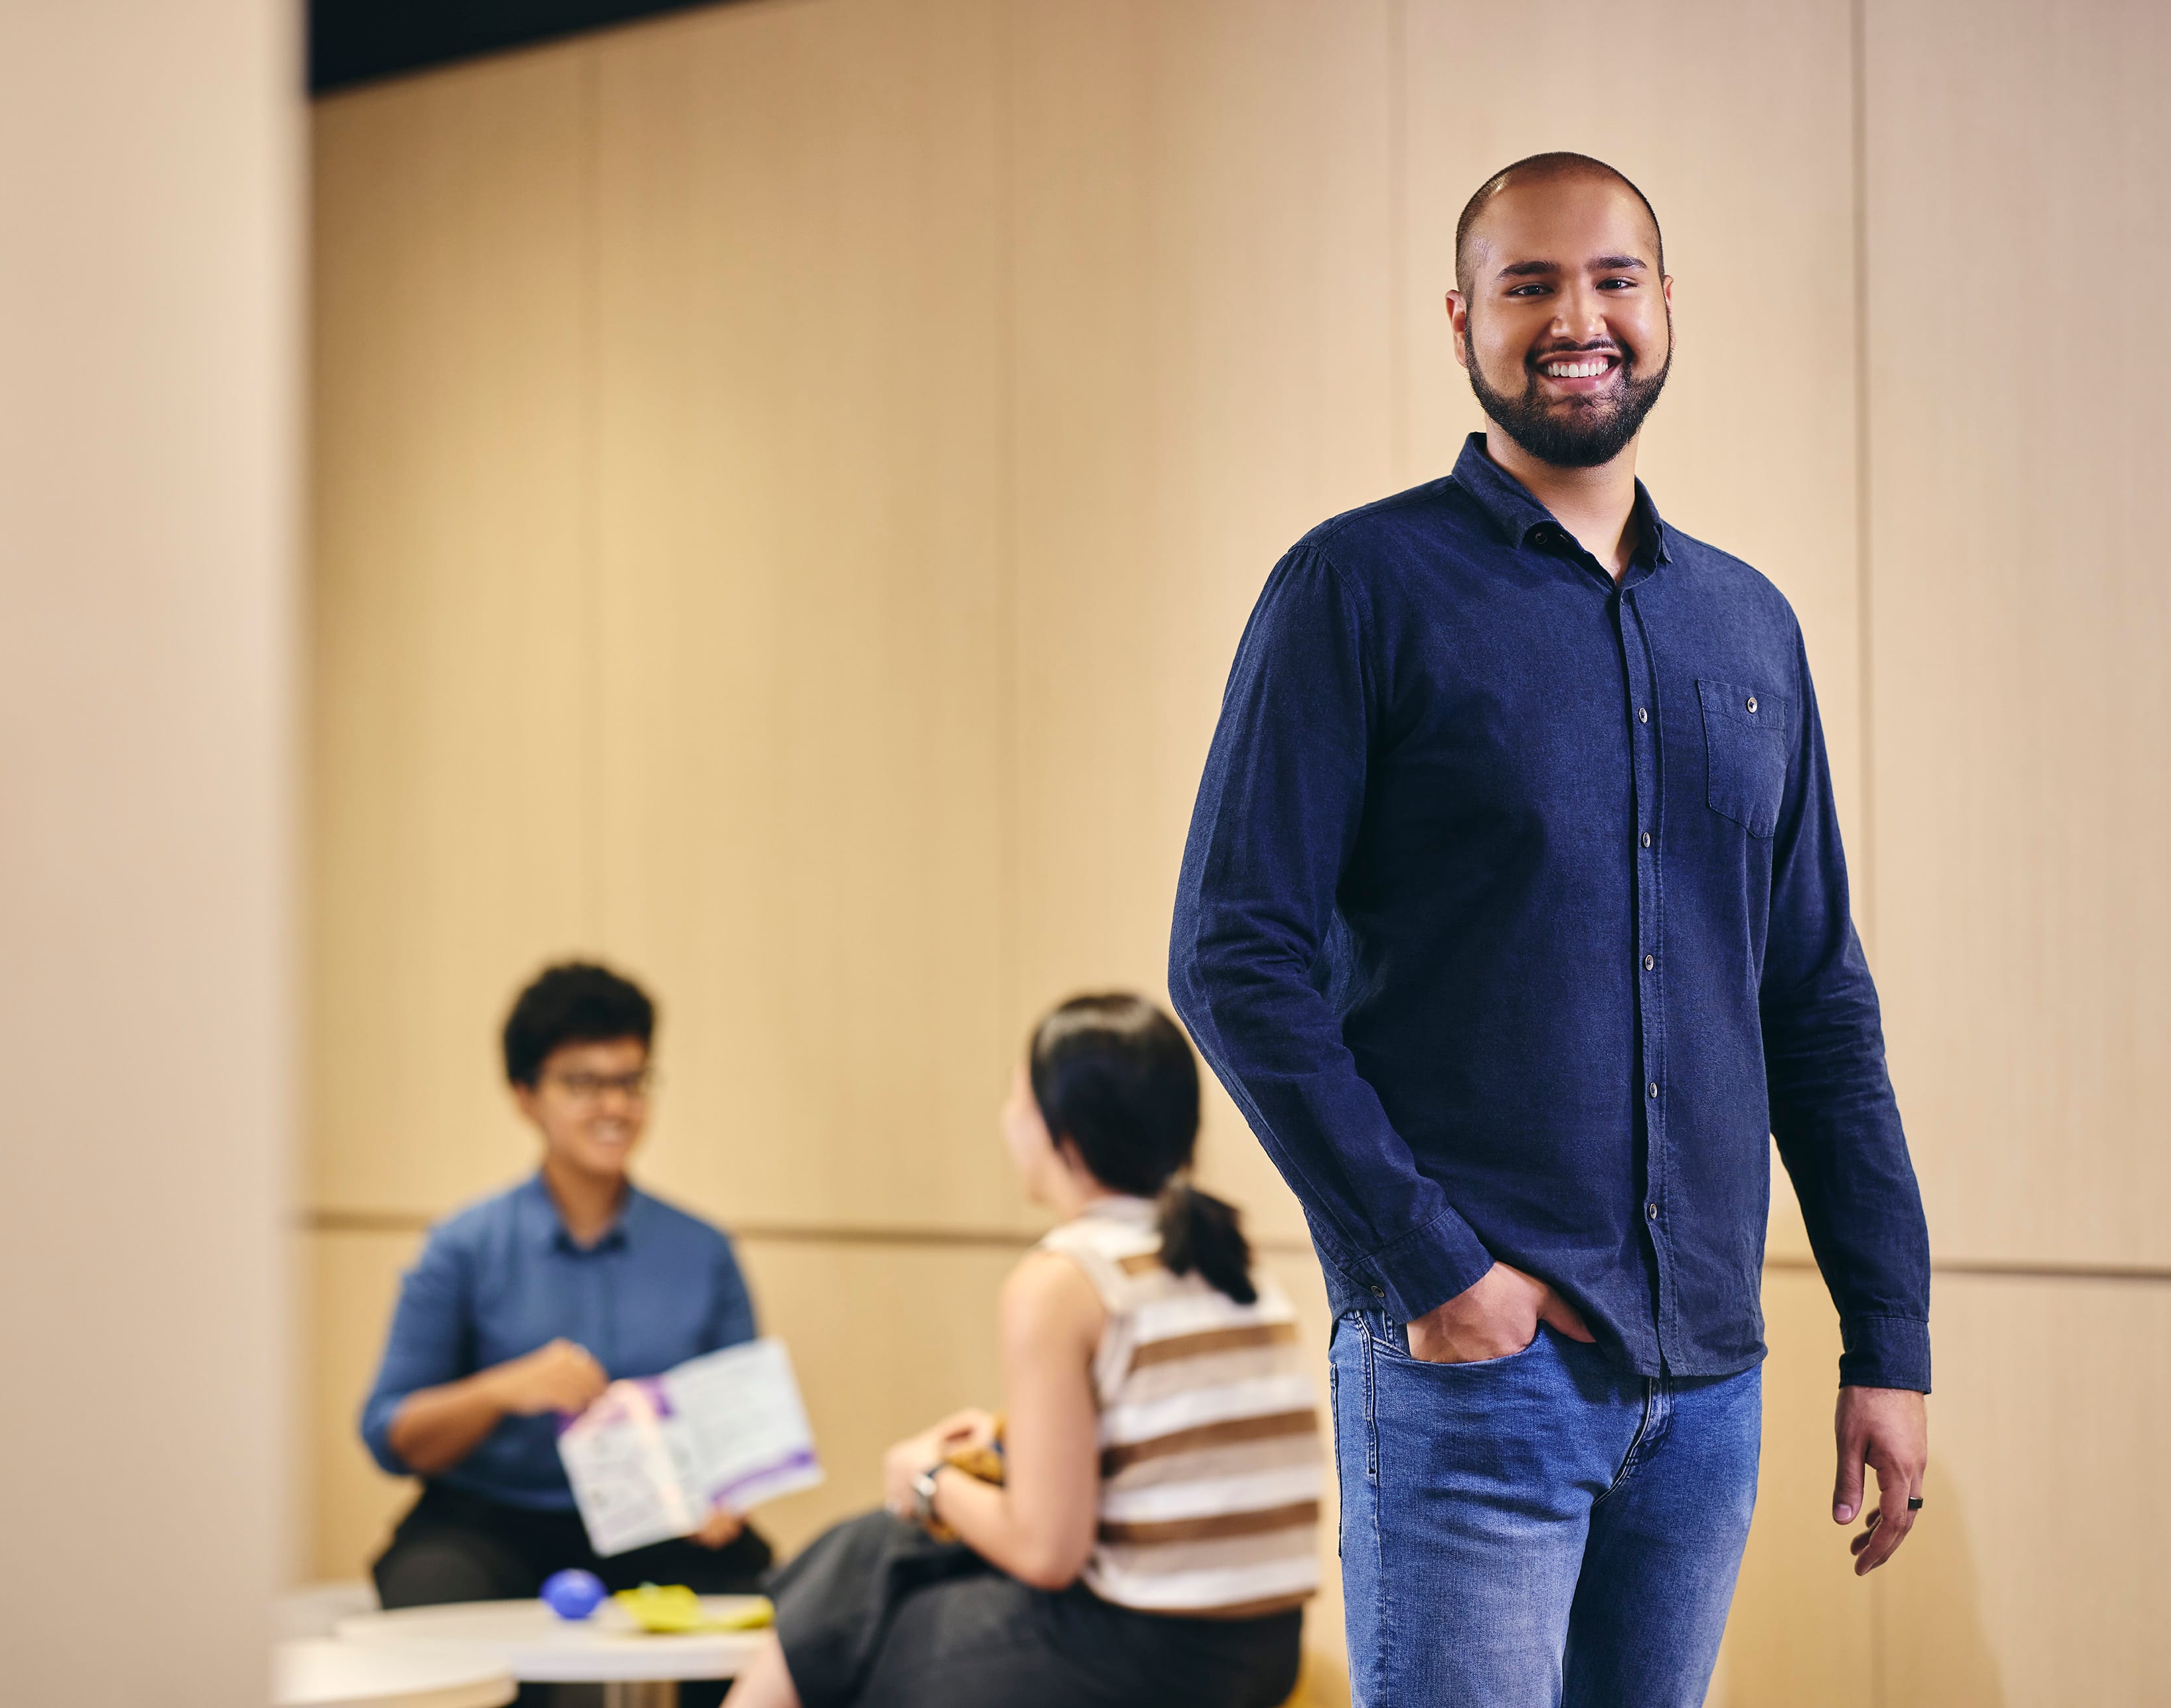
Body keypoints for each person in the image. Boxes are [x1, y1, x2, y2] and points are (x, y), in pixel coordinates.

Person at [1168, 152, 1932, 1708]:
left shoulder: (1748, 625)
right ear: (1462, 321)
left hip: (1706, 1390)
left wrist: (1889, 1337)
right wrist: (1433, 1269)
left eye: (1611, 280)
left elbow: (1813, 1005)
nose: (1576, 319)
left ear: (1665, 306)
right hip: (1472, 1380)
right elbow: (1233, 956)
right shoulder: (1355, 588)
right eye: (1528, 285)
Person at [721, 994, 1314, 1708]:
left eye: (1017, 1100)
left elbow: (1047, 1552)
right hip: (1266, 1647)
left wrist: (925, 1479)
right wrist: (1008, 1445)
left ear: (1063, 1130)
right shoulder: (1230, 1264)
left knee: (873, 1625)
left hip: (1151, 1652)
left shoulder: (1064, 1278)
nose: (1007, 1122)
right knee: (875, 1553)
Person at [360, 961, 775, 1639]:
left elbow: (742, 1427)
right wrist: (502, 1390)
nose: (614, 1106)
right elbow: (390, 1434)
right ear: (525, 1095)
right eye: (583, 1084)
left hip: (657, 1523)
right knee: (431, 1597)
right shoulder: (463, 1246)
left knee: (769, 1609)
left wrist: (727, 1492)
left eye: (630, 1081)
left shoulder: (704, 1251)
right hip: (490, 1521)